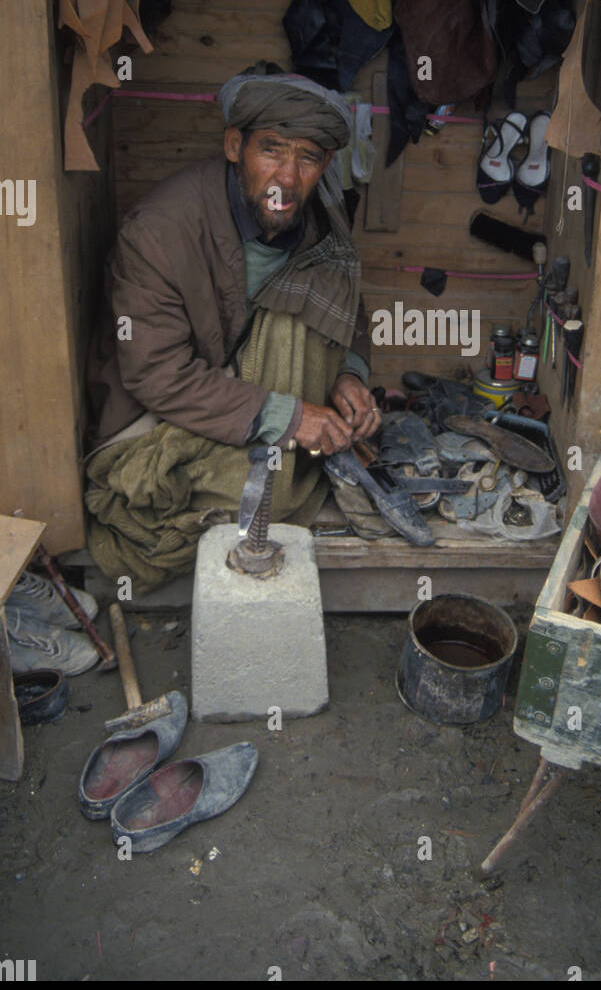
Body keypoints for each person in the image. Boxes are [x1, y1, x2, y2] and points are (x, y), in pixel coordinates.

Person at [84, 64, 380, 594]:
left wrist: (350, 374)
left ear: (326, 164)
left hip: (243, 399)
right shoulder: (158, 232)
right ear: (233, 146)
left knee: (310, 295)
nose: (287, 178)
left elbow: (350, 312)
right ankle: (287, 464)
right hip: (153, 421)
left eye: (307, 157)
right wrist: (288, 417)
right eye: (271, 150)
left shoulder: (317, 223)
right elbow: (157, 376)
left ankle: (287, 457)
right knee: (260, 491)